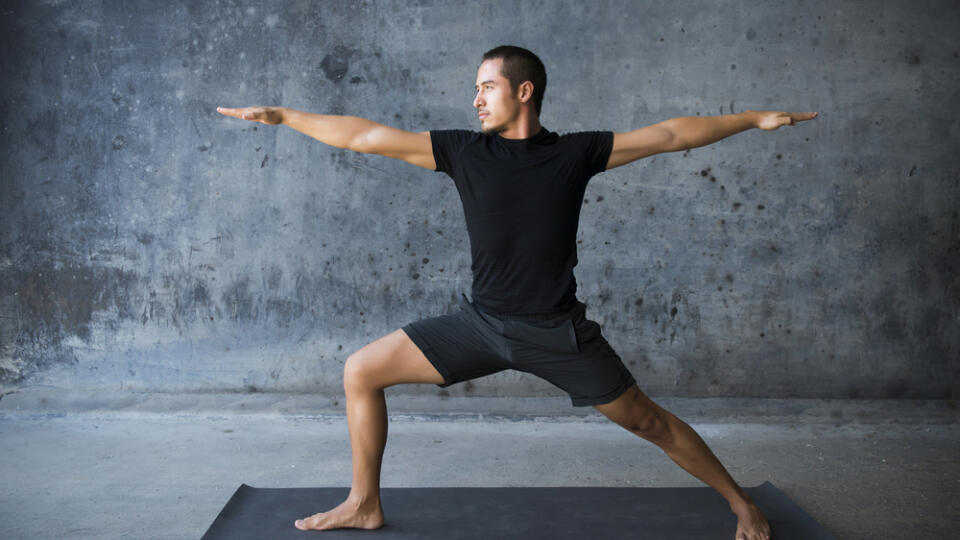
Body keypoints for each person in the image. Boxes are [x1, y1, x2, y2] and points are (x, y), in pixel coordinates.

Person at [218, 45, 817, 540]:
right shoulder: (463, 151)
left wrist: (753, 119)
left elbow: (670, 134)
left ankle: (740, 503)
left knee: (650, 424)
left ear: (523, 92)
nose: (475, 99)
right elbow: (368, 136)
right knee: (361, 371)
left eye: (486, 87)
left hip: (556, 332)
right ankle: (363, 503)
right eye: (475, 89)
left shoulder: (574, 154)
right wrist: (286, 116)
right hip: (479, 325)